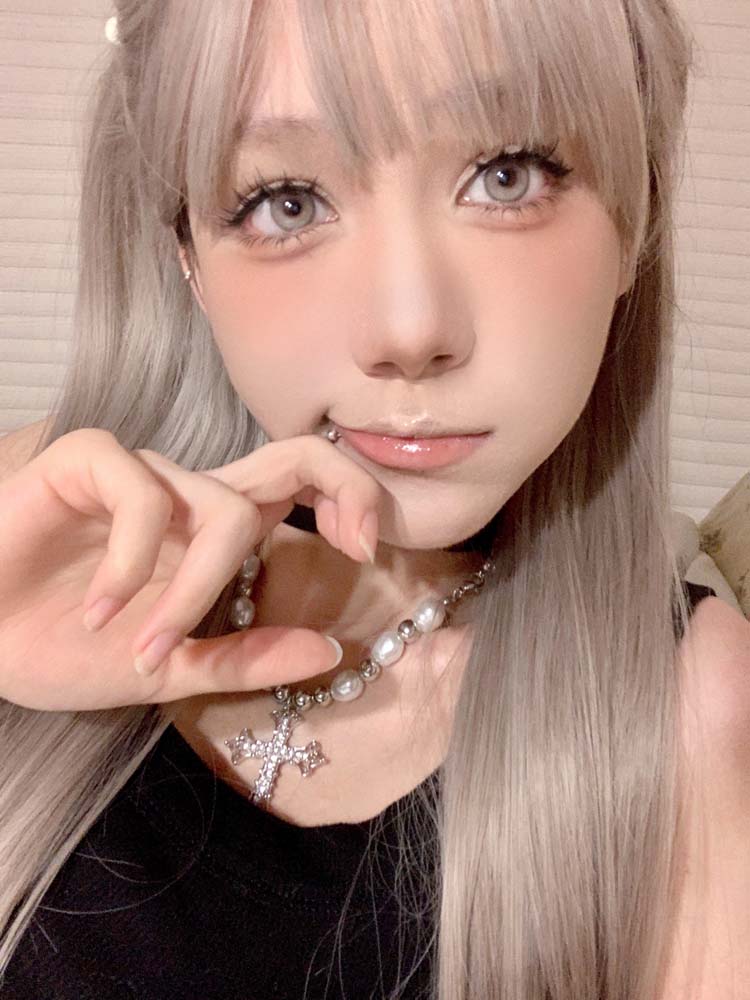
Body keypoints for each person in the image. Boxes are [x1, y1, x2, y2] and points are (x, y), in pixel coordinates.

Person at [0, 0, 746, 997]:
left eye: (508, 174)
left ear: (636, 214)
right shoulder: (40, 518)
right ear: (188, 255)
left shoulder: (688, 713)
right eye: (286, 201)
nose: (407, 329)